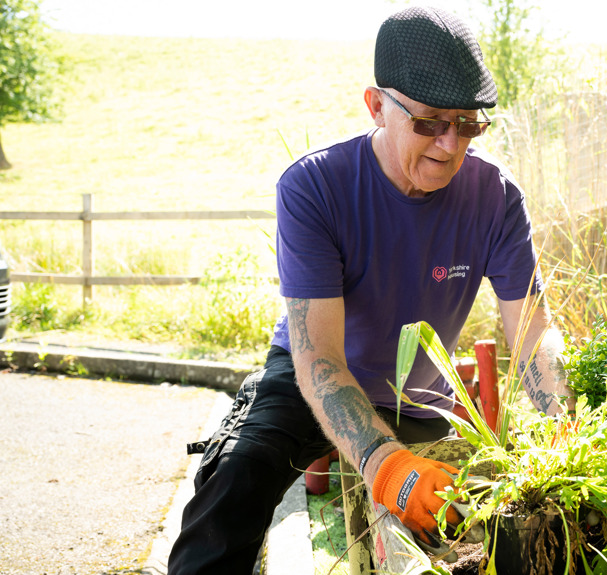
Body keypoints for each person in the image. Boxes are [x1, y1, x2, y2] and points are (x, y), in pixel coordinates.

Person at [167, 6, 572, 574]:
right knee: (239, 471)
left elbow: (533, 331)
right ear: (377, 106)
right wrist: (384, 464)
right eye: (431, 121)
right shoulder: (313, 186)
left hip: (416, 391)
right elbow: (320, 359)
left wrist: (564, 427)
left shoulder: (497, 199)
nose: (452, 144)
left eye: (469, 123)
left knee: (466, 533)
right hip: (318, 371)